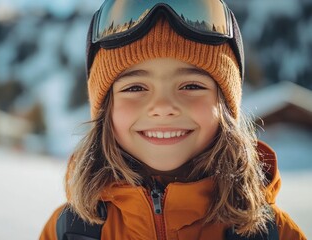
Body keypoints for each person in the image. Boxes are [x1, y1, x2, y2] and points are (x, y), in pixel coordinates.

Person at [40, 0, 306, 239]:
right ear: (105, 112)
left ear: (225, 106)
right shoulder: (68, 231)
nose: (163, 107)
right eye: (135, 88)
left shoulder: (275, 233)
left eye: (191, 86)